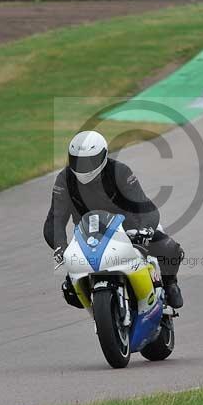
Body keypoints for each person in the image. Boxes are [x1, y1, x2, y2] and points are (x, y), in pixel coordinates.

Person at [44, 130, 184, 309]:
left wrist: (145, 230)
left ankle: (170, 283)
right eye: (77, 161)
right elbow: (54, 219)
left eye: (88, 161)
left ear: (103, 156)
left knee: (169, 249)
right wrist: (60, 245)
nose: (83, 167)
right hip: (89, 238)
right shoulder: (64, 179)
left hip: (129, 231)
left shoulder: (120, 172)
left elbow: (145, 206)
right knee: (70, 291)